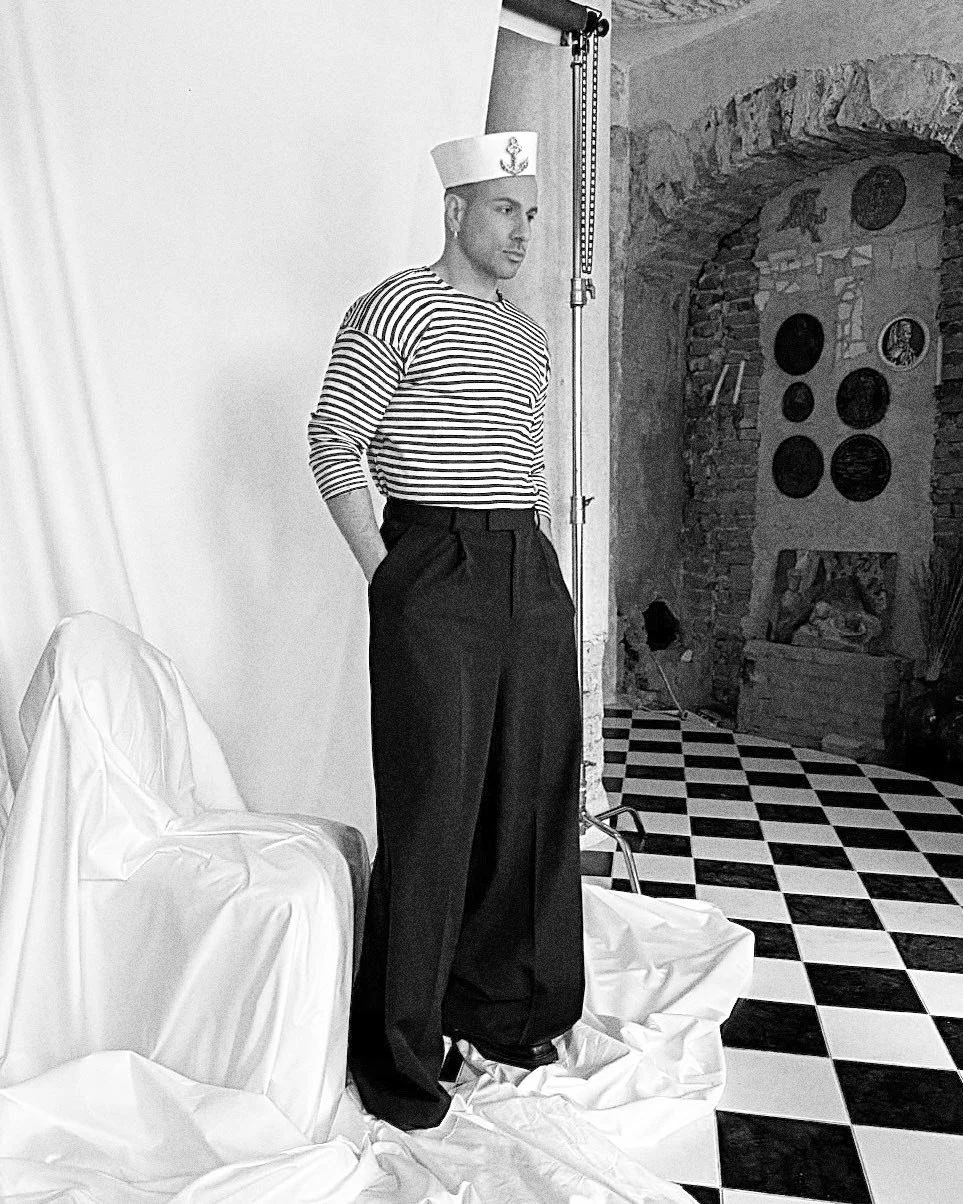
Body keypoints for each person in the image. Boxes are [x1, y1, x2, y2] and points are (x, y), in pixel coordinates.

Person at [307, 131, 585, 1132]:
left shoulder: (529, 336)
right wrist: (391, 576)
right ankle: (401, 1058)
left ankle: (506, 1012)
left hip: (524, 565)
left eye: (531, 214)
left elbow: (529, 469)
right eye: (505, 209)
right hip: (433, 561)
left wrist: (546, 572)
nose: (522, 231)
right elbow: (333, 439)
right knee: (434, 812)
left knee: (532, 794)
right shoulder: (393, 307)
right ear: (456, 210)